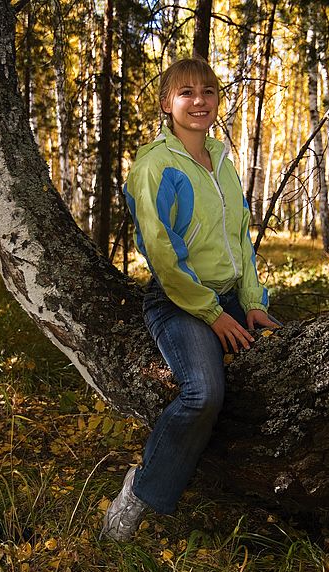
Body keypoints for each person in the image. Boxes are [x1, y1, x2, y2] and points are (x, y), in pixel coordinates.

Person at [100, 57, 281, 543]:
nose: (199, 101)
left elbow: (241, 237)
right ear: (167, 103)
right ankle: (138, 493)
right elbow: (162, 252)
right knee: (204, 393)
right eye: (186, 93)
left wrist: (253, 301)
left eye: (207, 91)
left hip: (230, 296)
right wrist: (213, 313)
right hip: (178, 301)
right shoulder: (154, 165)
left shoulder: (221, 159)